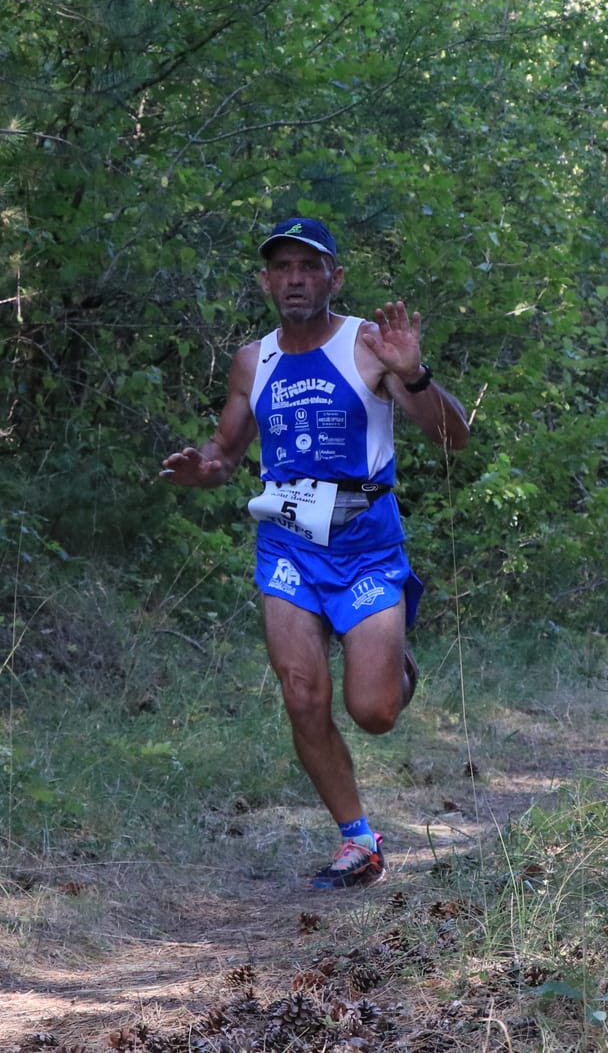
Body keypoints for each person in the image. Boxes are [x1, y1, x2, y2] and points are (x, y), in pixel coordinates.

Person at [161, 217, 469, 889]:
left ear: (335, 277)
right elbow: (227, 451)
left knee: (374, 712)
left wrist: (413, 374)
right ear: (268, 280)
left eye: (310, 265)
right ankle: (358, 841)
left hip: (365, 543)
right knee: (302, 695)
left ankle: (392, 659)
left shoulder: (368, 346)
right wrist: (203, 468)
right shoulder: (254, 359)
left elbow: (454, 438)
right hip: (289, 544)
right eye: (283, 267)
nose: (295, 278)